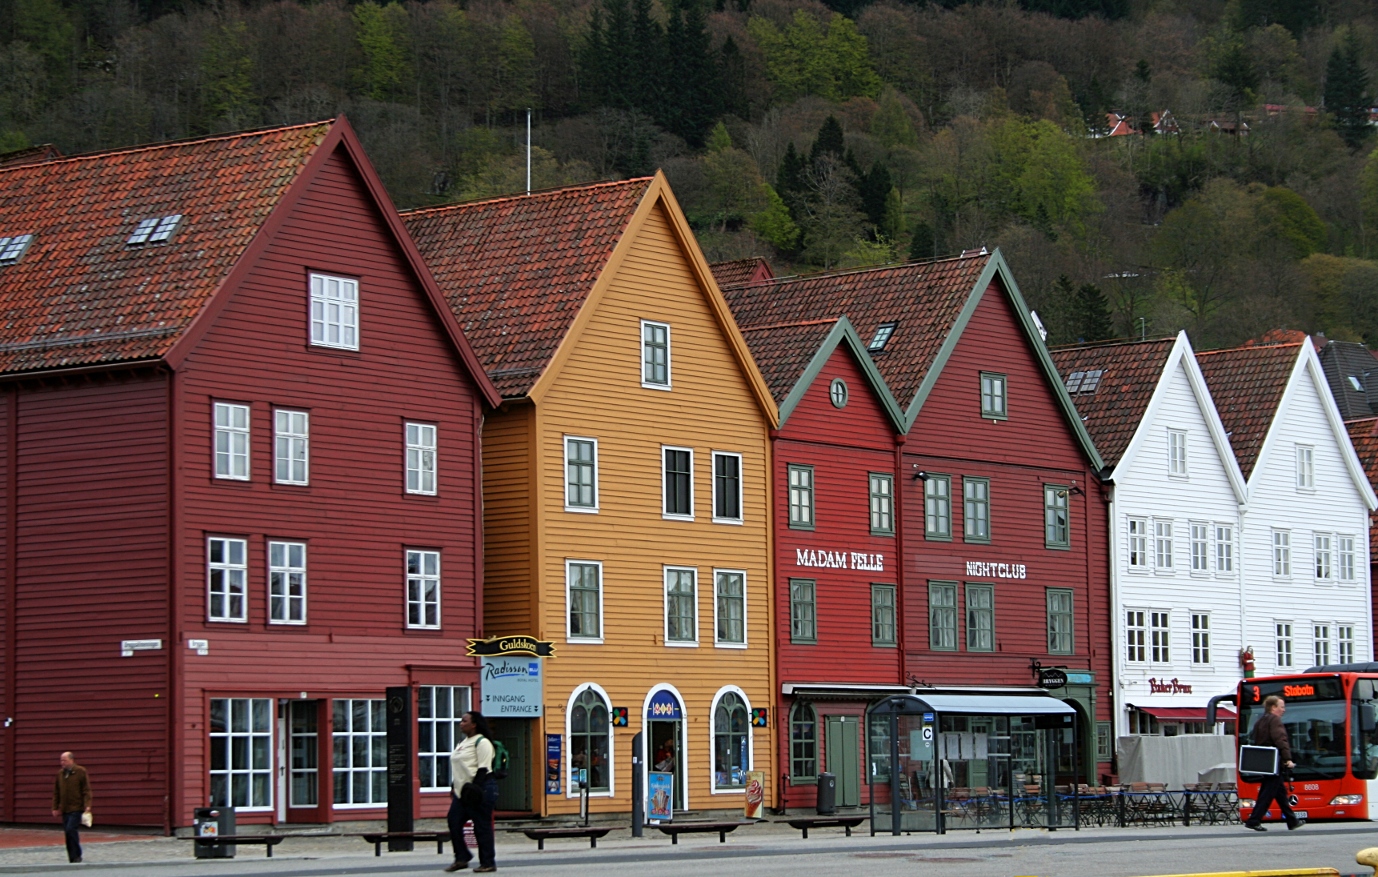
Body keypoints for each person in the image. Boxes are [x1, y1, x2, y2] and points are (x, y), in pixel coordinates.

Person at [445, 711, 499, 873]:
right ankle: (462, 857)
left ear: (474, 724)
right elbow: (460, 767)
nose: (461, 723)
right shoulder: (463, 742)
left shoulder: (482, 743)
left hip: (480, 789)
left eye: (464, 721)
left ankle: (488, 862)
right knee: (453, 822)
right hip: (462, 791)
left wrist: (474, 790)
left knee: (481, 826)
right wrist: (453, 786)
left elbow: (483, 769)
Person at [1244, 696, 1304, 832]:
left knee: (1279, 792)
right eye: (1281, 707)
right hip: (1275, 762)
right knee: (1267, 793)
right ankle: (1254, 820)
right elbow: (1280, 740)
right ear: (1273, 707)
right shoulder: (1274, 720)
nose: (1284, 710)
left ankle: (1292, 820)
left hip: (1266, 762)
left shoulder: (1260, 721)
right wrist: (1287, 759)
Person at [51, 751, 92, 863]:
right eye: (61, 760)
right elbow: (56, 792)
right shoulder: (60, 774)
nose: (62, 763)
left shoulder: (80, 771)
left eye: (65, 760)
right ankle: (72, 856)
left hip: (76, 807)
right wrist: (55, 807)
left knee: (71, 829)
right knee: (67, 832)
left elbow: (86, 790)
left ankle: (77, 855)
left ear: (71, 760)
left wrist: (87, 805)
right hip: (65, 808)